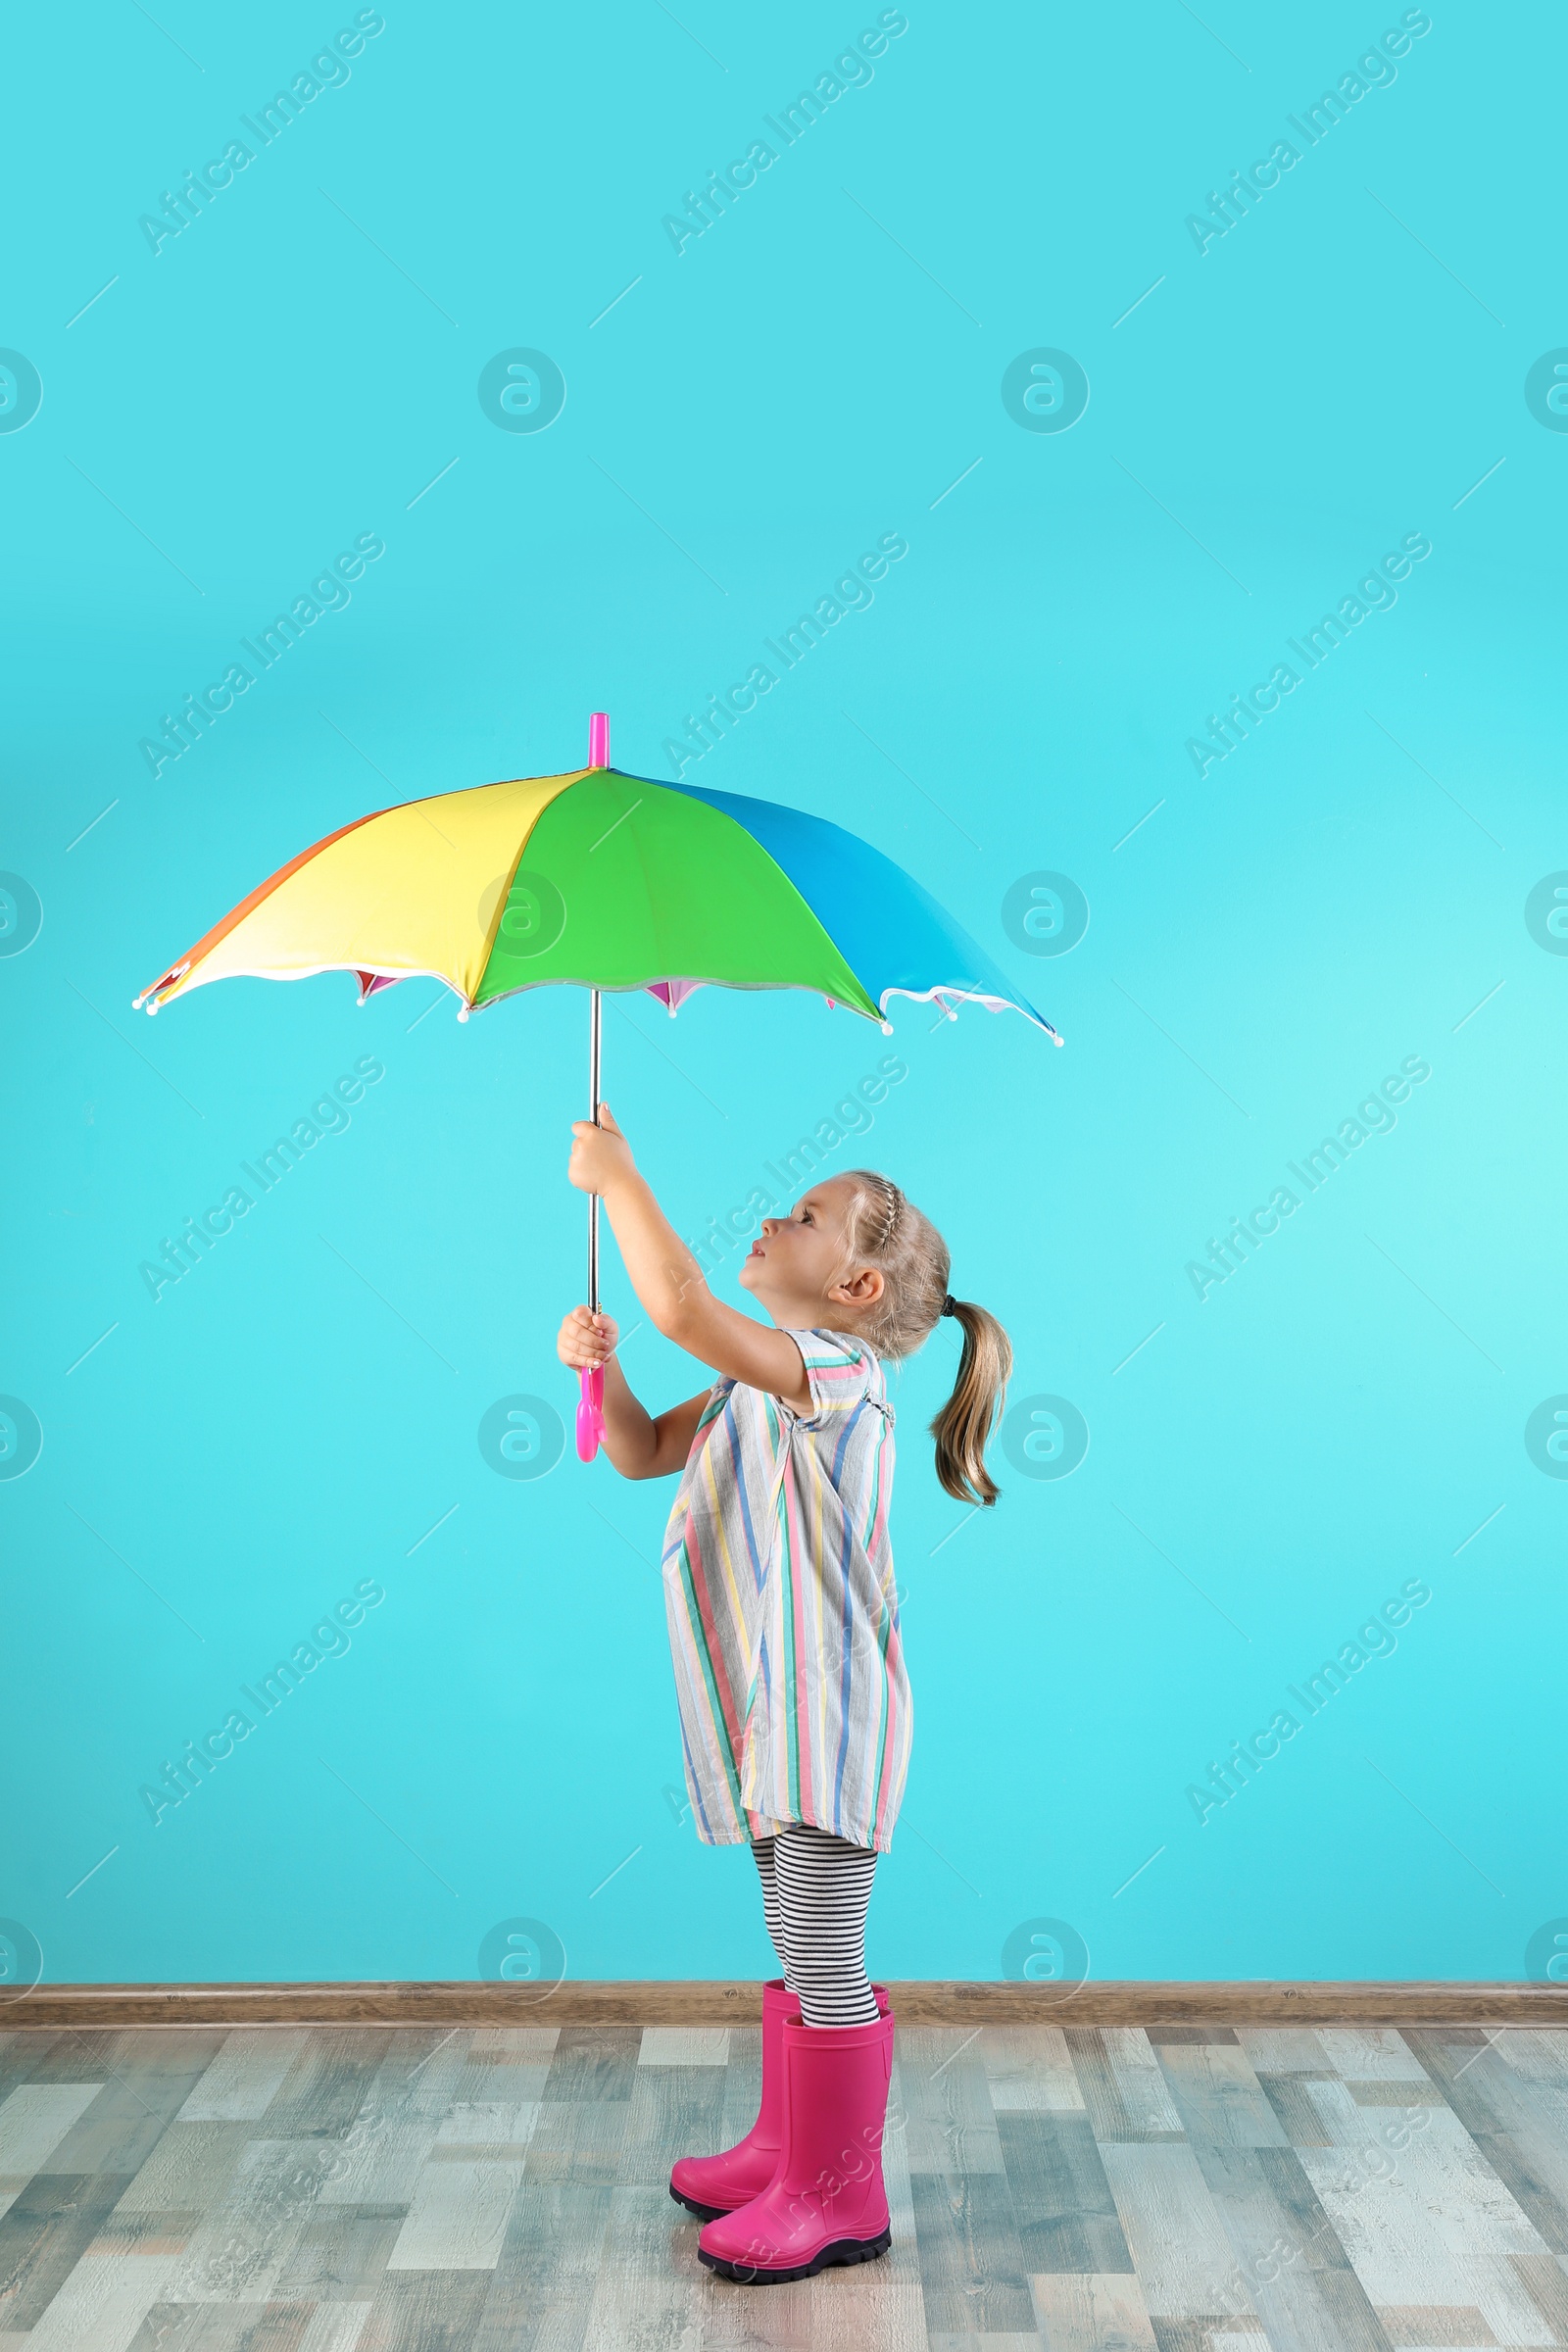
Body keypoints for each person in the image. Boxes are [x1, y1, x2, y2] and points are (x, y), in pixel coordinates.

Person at [557, 1102, 1012, 2284]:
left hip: (829, 1713)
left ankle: (840, 2193)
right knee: (791, 1929)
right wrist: (601, 1379)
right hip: (772, 1710)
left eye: (805, 1217)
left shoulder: (836, 1377)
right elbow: (643, 1450)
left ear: (857, 1288)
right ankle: (787, 2147)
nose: (773, 1215)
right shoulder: (760, 1384)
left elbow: (684, 1309)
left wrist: (619, 1178)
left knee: (824, 1951)